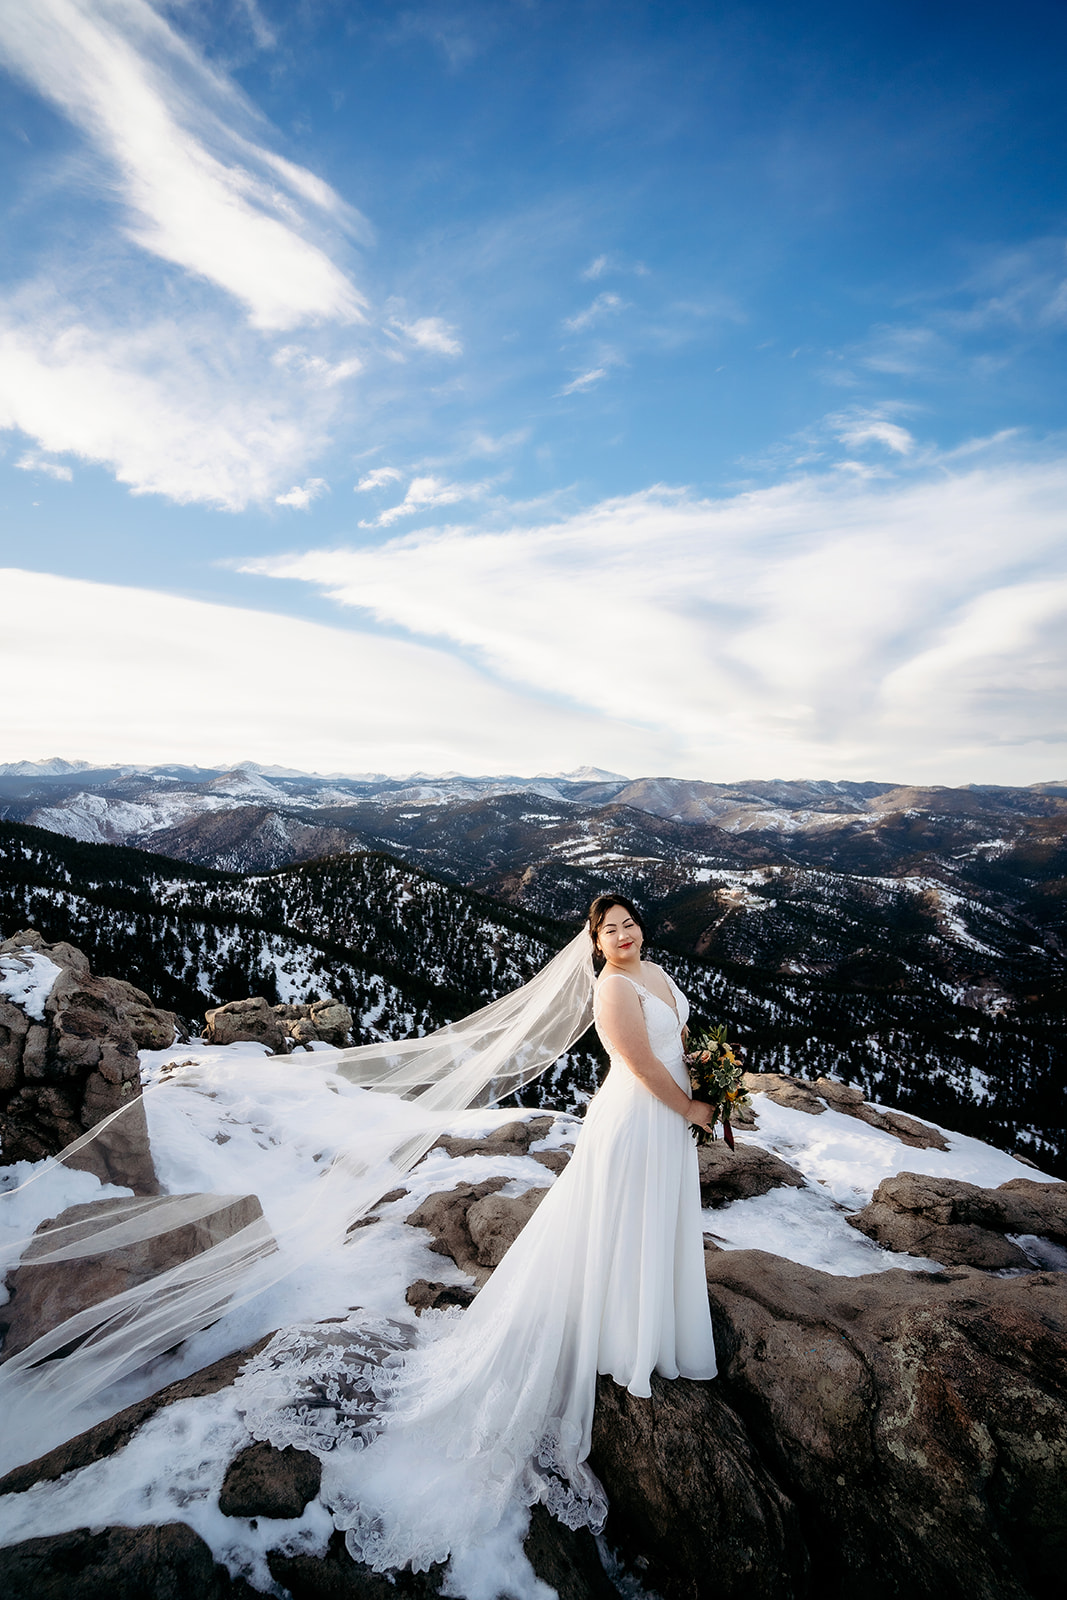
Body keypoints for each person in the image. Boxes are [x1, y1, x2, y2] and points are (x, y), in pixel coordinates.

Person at [291, 894, 720, 1571]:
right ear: (595, 940)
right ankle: (616, 1329)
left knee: (646, 1222)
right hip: (638, 1119)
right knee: (617, 1223)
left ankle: (643, 1319)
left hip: (665, 1122)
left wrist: (708, 1080)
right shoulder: (610, 988)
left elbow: (677, 1046)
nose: (622, 935)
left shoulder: (656, 972)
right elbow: (638, 1066)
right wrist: (695, 1106)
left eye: (628, 923)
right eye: (608, 929)